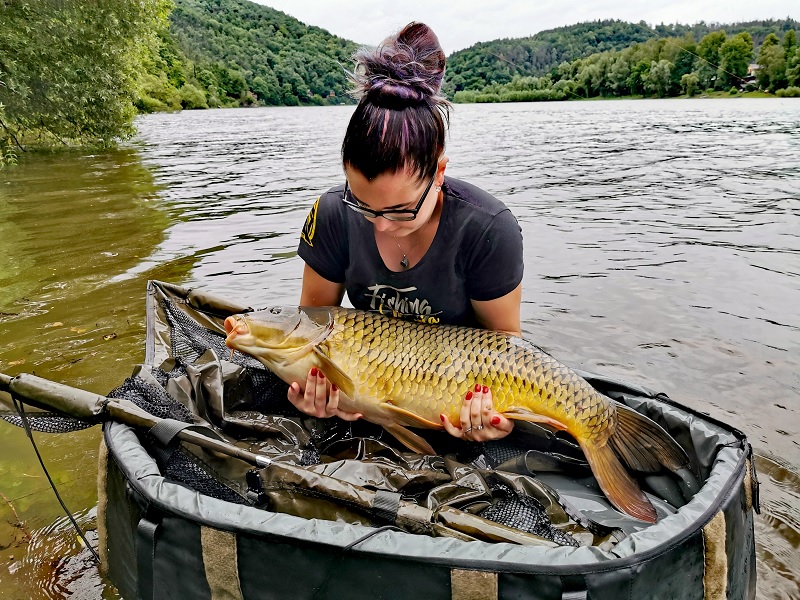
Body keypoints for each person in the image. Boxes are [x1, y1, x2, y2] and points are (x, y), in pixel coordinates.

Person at [289, 22, 523, 443]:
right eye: (363, 205)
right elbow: (312, 326)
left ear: (439, 172)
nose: (380, 224)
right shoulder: (330, 213)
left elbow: (506, 345)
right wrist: (311, 391)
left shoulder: (490, 229)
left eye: (400, 210)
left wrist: (492, 416)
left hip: (452, 395)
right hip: (371, 397)